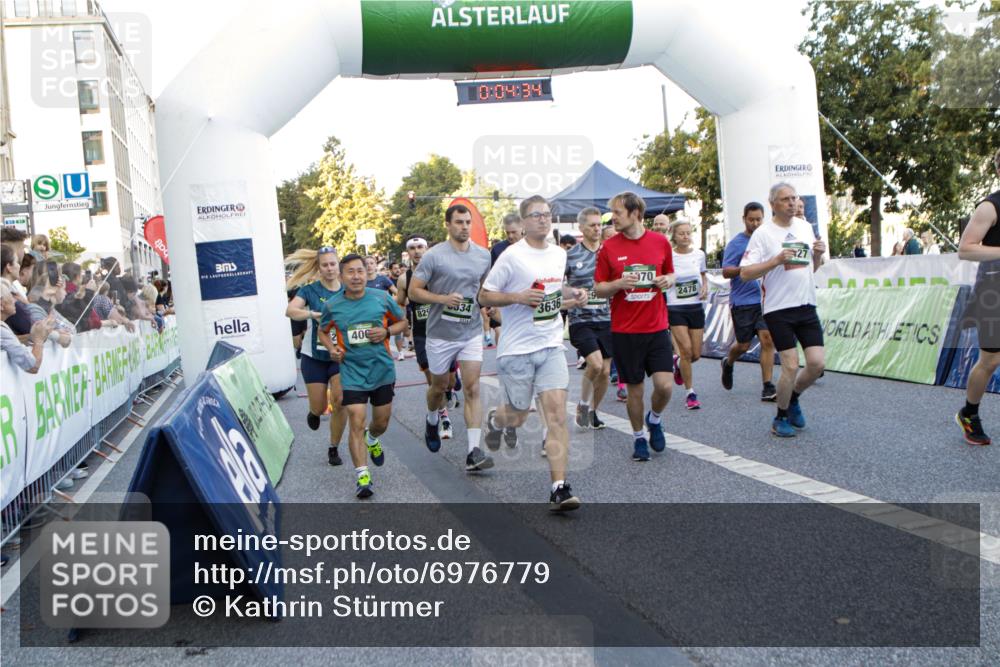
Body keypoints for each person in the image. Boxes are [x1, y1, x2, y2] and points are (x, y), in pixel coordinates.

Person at [481, 195, 586, 510]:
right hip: (516, 349)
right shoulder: (512, 256)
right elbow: (484, 295)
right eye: (536, 215)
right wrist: (517, 296)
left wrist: (574, 294)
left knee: (556, 415)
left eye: (547, 214)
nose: (543, 219)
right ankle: (497, 421)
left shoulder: (557, 253)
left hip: (551, 344)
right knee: (518, 414)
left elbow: (555, 290)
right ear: (524, 222)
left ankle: (559, 487)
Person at [408, 204, 494, 471]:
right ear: (447, 224)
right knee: (439, 387)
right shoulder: (433, 256)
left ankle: (473, 451)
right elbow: (414, 292)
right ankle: (432, 419)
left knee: (472, 388)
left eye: (467, 222)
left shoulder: (483, 256)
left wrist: (489, 304)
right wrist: (443, 299)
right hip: (440, 334)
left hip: (470, 331)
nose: (464, 226)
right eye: (458, 222)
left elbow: (482, 288)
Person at [739, 182, 826, 438]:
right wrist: (776, 260)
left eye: (794, 198)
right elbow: (745, 273)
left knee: (816, 364)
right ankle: (781, 416)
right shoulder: (763, 234)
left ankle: (794, 397)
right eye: (785, 199)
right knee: (790, 365)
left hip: (806, 304)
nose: (791, 203)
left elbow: (811, 269)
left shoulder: (805, 227)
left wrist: (818, 256)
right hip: (778, 309)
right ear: (773, 204)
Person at [594, 192, 675, 462]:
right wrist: (618, 284)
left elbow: (671, 273)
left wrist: (667, 281)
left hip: (657, 327)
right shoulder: (609, 248)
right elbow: (599, 288)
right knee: (635, 390)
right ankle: (639, 436)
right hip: (626, 331)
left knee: (664, 387)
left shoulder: (661, 242)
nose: (612, 218)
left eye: (617, 213)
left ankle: (655, 419)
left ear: (635, 214)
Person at [318, 254, 407, 498]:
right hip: (352, 372)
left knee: (380, 423)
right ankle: (362, 476)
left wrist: (387, 330)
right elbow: (322, 331)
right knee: (356, 419)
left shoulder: (381, 298)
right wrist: (332, 349)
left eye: (360, 271)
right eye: (351, 272)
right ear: (341, 275)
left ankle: (373, 437)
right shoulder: (332, 306)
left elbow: (403, 322)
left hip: (381, 370)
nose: (356, 276)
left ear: (366, 274)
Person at [285, 247, 348, 466]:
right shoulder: (310, 290)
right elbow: (291, 311)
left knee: (340, 400)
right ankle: (314, 412)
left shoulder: (349, 288)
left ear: (338, 264)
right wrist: (313, 314)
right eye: (325, 265)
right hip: (314, 356)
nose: (330, 268)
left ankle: (333, 446)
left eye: (333, 264)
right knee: (321, 407)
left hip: (341, 356)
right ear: (318, 268)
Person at [955, 148, 1000, 446]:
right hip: (994, 292)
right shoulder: (990, 207)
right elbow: (966, 249)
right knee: (991, 360)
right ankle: (969, 413)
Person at [396, 235, 456, 439]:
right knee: (433, 382)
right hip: (422, 335)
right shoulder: (404, 278)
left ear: (427, 249)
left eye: (420, 247)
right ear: (407, 253)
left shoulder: (440, 274)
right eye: (412, 248)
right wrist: (402, 325)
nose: (417, 251)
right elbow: (401, 304)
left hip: (445, 331)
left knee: (449, 381)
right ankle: (443, 417)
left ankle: (451, 389)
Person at [721, 202, 777, 400]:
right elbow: (726, 271)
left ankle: (768, 386)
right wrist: (746, 268)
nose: (755, 223)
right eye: (751, 219)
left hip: (764, 298)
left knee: (767, 339)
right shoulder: (737, 243)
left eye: (758, 219)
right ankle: (728, 362)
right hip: (743, 301)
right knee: (743, 346)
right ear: (744, 219)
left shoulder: (769, 240)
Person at [565, 206, 613, 430]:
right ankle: (582, 405)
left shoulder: (609, 252)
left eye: (599, 225)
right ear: (581, 228)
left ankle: (593, 410)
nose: (597, 229)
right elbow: (559, 285)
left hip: (607, 318)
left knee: (604, 371)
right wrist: (573, 293)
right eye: (592, 225)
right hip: (580, 319)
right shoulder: (570, 255)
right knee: (594, 364)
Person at [665, 219, 708, 410]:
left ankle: (678, 363)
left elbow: (703, 275)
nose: (685, 236)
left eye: (688, 233)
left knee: (696, 354)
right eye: (681, 233)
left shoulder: (699, 254)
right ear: (674, 235)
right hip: (676, 307)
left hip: (695, 306)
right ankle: (690, 393)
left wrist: (705, 287)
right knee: (687, 351)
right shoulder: (669, 256)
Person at [1, 282, 54, 373]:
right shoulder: (2, 330)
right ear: (1, 304)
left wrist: (30, 337)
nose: (15, 301)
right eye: (11, 296)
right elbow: (32, 366)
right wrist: (39, 340)